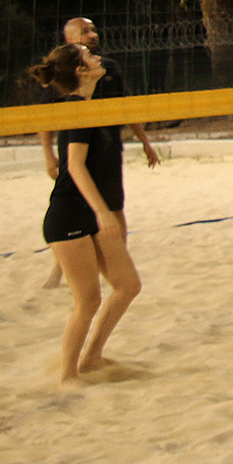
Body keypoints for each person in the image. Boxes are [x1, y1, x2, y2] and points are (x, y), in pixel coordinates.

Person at [29, 43, 143, 391]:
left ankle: (91, 356)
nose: (97, 57)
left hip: (91, 212)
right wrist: (103, 213)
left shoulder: (91, 105)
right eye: (89, 56)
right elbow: (74, 167)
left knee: (128, 286)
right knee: (88, 300)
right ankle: (67, 376)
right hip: (69, 215)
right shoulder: (76, 109)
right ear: (81, 71)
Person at [38, 16, 158, 289]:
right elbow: (44, 119)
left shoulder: (108, 68)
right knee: (75, 206)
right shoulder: (64, 77)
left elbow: (126, 107)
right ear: (70, 40)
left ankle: (118, 262)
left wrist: (145, 142)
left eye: (93, 30)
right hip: (77, 150)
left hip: (108, 147)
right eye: (85, 31)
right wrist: (48, 154)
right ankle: (62, 267)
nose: (93, 34)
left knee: (114, 206)